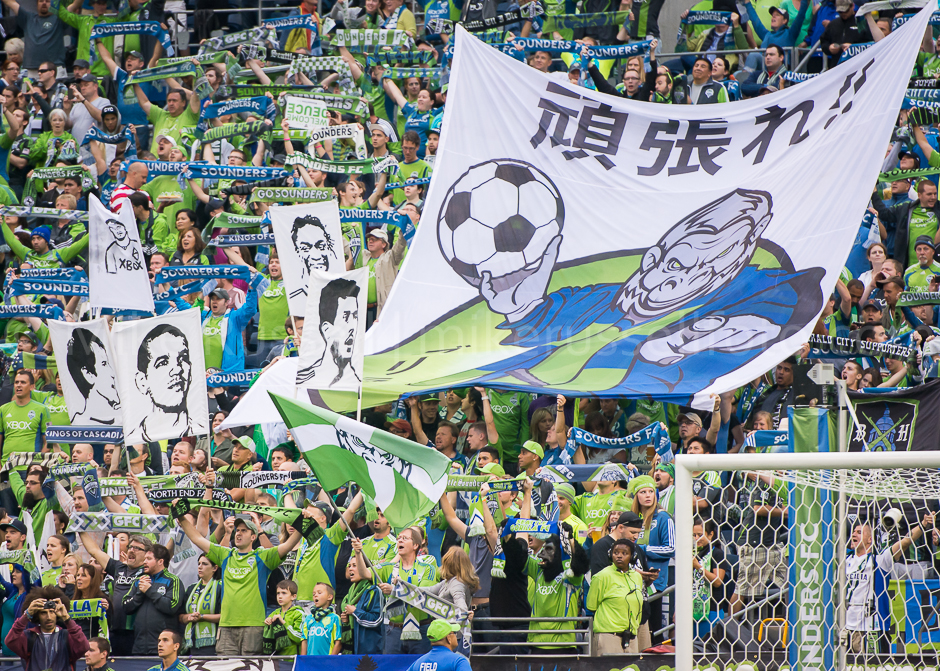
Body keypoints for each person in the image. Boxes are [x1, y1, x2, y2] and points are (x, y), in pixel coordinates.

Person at [178, 511, 302, 655]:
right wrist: (180, 516)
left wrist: (302, 522)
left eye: (244, 531)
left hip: (253, 626)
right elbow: (197, 538)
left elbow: (288, 545)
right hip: (226, 626)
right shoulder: (225, 554)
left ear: (253, 537)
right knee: (225, 665)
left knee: (251, 665)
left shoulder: (263, 556)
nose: (238, 534)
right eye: (237, 530)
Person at [295, 276, 361, 387]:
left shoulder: (359, 380)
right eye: (346, 317)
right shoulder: (304, 380)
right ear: (326, 329)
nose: (352, 327)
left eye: (355, 316)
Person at [133, 323, 194, 441]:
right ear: (142, 382)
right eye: (163, 363)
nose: (177, 369)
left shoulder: (200, 433)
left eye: (182, 359)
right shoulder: (133, 439)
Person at [5, 586, 89, 670]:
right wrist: (26, 615)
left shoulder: (67, 636)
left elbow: (84, 647)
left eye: (52, 612)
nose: (48, 617)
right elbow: (9, 641)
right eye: (43, 613)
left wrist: (67, 618)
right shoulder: (29, 636)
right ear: (37, 615)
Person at [587, 538, 646, 654]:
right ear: (610, 555)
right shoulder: (601, 576)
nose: (619, 556)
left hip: (631, 637)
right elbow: (591, 606)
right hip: (608, 637)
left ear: (632, 556)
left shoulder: (637, 577)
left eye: (624, 553)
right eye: (616, 553)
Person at [122, 544, 183, 654]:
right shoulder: (139, 580)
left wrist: (149, 591)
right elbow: (126, 606)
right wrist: (140, 593)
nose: (144, 562)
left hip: (164, 647)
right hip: (139, 645)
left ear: (160, 561)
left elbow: (171, 606)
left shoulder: (173, 580)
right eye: (145, 558)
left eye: (149, 559)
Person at [65, 328, 120, 425]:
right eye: (104, 364)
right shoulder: (79, 425)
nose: (112, 373)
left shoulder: (126, 420)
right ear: (88, 374)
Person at [179, 554, 221, 655]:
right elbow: (180, 616)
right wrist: (189, 617)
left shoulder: (220, 587)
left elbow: (225, 616)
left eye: (204, 564)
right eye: (199, 564)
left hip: (213, 642)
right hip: (191, 642)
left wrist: (202, 616)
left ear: (215, 568)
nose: (200, 567)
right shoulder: (191, 588)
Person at [0, 370, 50, 456]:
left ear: (32, 387)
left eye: (23, 382)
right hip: (7, 463)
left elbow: (49, 442)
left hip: (30, 463)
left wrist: (38, 460)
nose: (19, 385)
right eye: (16, 382)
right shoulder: (3, 409)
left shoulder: (42, 409)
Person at [407, 619, 471, 671]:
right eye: (454, 633)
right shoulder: (458, 661)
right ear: (448, 638)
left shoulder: (418, 663)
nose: (455, 636)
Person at [301, 582, 341, 655]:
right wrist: (303, 660)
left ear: (330, 597)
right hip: (310, 660)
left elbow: (338, 642)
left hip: (326, 660)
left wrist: (330, 660)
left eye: (319, 593)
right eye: (314, 594)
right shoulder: (308, 618)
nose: (315, 595)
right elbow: (304, 641)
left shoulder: (335, 618)